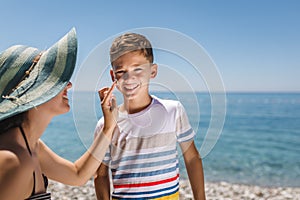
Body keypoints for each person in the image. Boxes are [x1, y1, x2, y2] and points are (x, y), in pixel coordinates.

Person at [0, 28, 117, 200]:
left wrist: (109, 126)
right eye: (56, 80)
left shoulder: (31, 145)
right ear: (33, 91)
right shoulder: (13, 160)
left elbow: (77, 175)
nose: (69, 85)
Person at [94, 33, 206, 199]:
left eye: (138, 69)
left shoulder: (173, 111)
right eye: (121, 71)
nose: (129, 78)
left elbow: (192, 158)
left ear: (152, 71)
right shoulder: (106, 124)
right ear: (113, 76)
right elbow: (100, 174)